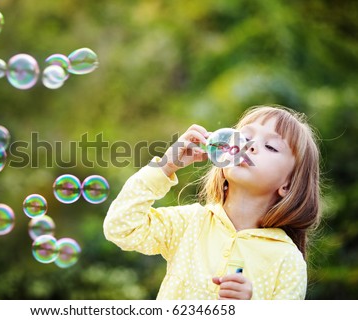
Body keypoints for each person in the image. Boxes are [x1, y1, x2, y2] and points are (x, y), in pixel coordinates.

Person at [103, 105, 321, 299]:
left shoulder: (287, 261)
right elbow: (121, 227)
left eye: (271, 146)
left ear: (288, 185)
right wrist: (166, 167)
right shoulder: (190, 223)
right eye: (243, 138)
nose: (250, 147)